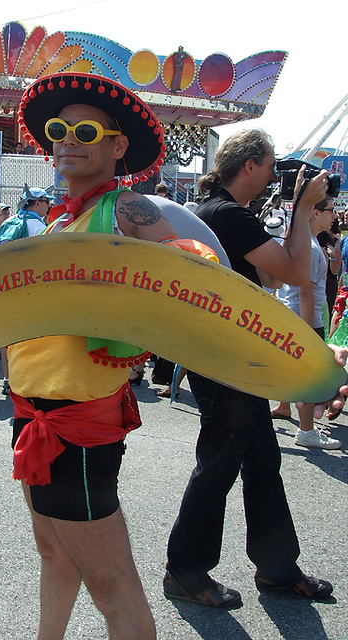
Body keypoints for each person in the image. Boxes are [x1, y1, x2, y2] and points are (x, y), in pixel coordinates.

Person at [0, 72, 172, 640]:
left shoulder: (125, 209)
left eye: (85, 130)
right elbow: (4, 316)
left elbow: (192, 275)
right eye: (58, 129)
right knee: (52, 551)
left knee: (113, 585)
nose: (67, 139)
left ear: (118, 145)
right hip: (30, 413)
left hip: (77, 424)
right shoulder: (57, 221)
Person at [165, 129, 336, 610]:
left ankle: (278, 568)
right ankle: (185, 570)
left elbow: (266, 274)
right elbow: (297, 274)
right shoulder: (228, 215)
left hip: (226, 356)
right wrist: (302, 210)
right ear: (250, 167)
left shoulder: (216, 212)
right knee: (219, 463)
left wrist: (297, 218)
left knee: (262, 461)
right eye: (270, 164)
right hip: (228, 358)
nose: (273, 174)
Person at [272, 197, 341, 449]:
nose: (335, 215)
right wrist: (309, 331)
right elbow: (305, 293)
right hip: (304, 319)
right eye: (331, 210)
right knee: (309, 377)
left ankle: (285, 407)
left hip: (294, 316)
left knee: (296, 372)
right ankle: (307, 430)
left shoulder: (304, 242)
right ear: (315, 212)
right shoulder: (311, 248)